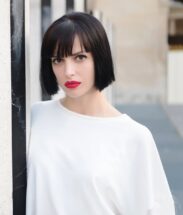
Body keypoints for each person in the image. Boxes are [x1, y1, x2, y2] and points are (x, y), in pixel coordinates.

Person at [26, 12, 175, 215]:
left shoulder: (133, 137)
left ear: (100, 58)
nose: (68, 71)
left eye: (80, 57)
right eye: (57, 60)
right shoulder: (36, 116)